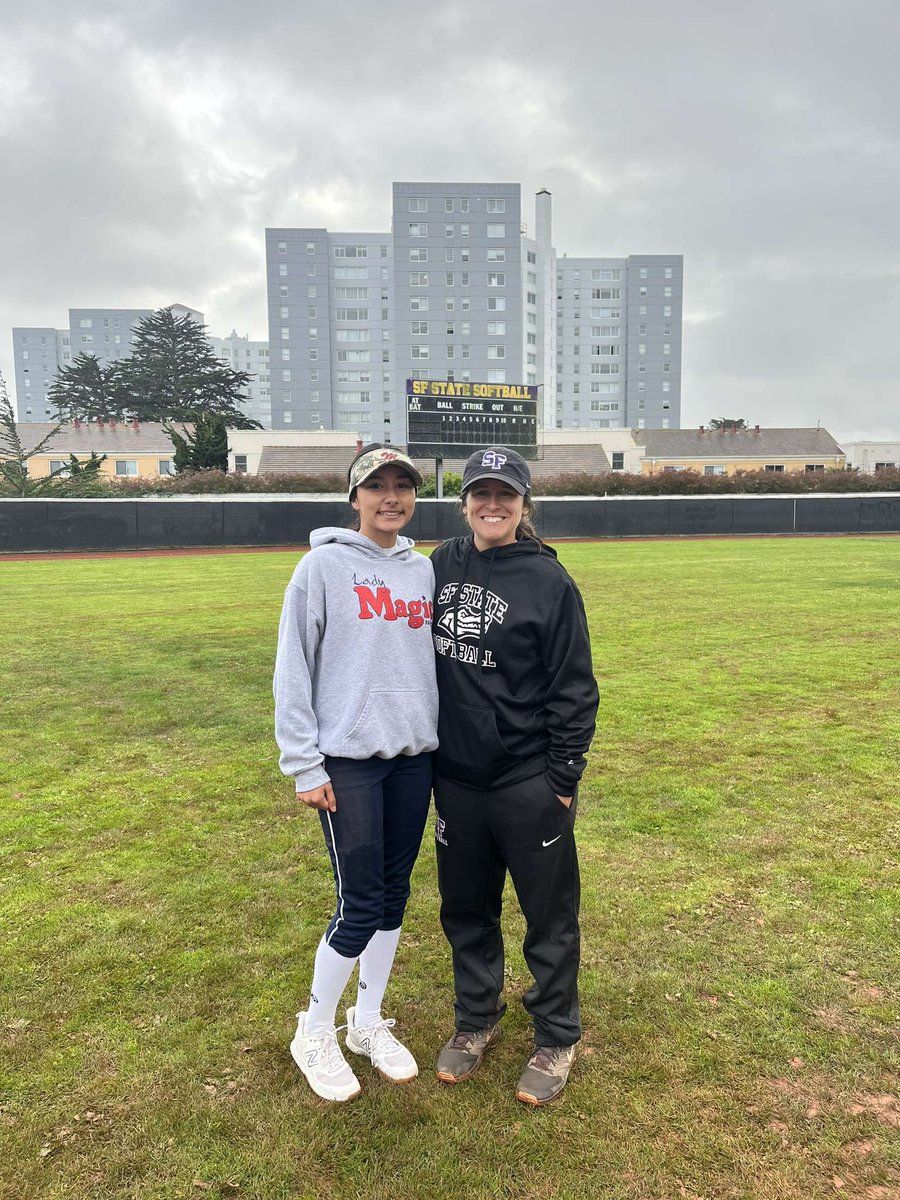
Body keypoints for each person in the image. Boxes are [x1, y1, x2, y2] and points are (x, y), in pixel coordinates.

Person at [430, 445, 599, 1106]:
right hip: (458, 781)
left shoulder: (549, 582)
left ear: (523, 504)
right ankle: (476, 1021)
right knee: (466, 909)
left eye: (505, 494)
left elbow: (574, 688)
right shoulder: (441, 563)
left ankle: (557, 1035)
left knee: (548, 915)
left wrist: (560, 779)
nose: (491, 505)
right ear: (465, 500)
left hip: (529, 780)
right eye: (480, 493)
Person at [273, 444, 438, 1102]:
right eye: (377, 487)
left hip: (414, 760)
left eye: (403, 486)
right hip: (348, 763)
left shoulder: (423, 572)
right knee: (360, 902)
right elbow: (293, 671)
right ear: (355, 499)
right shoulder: (321, 568)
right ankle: (312, 1030)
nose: (390, 497)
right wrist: (304, 763)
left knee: (394, 898)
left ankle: (365, 1022)